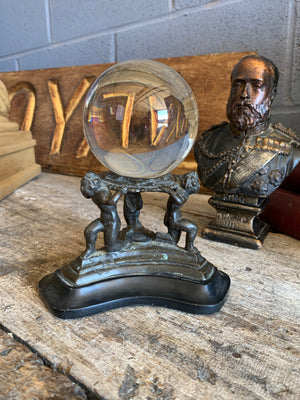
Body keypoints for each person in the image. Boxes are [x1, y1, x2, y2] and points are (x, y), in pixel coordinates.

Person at [194, 55, 300, 200]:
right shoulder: (207, 142)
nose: (244, 94)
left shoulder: (290, 149)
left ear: (271, 94)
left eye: (257, 85)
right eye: (237, 85)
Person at [80, 172, 126, 257]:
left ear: (93, 184)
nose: (83, 188)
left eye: (85, 186)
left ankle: (126, 243)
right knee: (89, 231)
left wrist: (120, 192)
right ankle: (90, 249)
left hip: (112, 222)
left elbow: (111, 202)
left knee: (111, 248)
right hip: (103, 219)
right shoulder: (98, 188)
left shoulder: (102, 193)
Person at [162, 172, 200, 253]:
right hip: (174, 220)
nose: (195, 185)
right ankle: (189, 247)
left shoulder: (181, 191)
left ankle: (162, 240)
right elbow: (179, 200)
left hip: (173, 218)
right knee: (193, 228)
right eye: (194, 183)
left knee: (173, 241)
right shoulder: (182, 193)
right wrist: (169, 190)